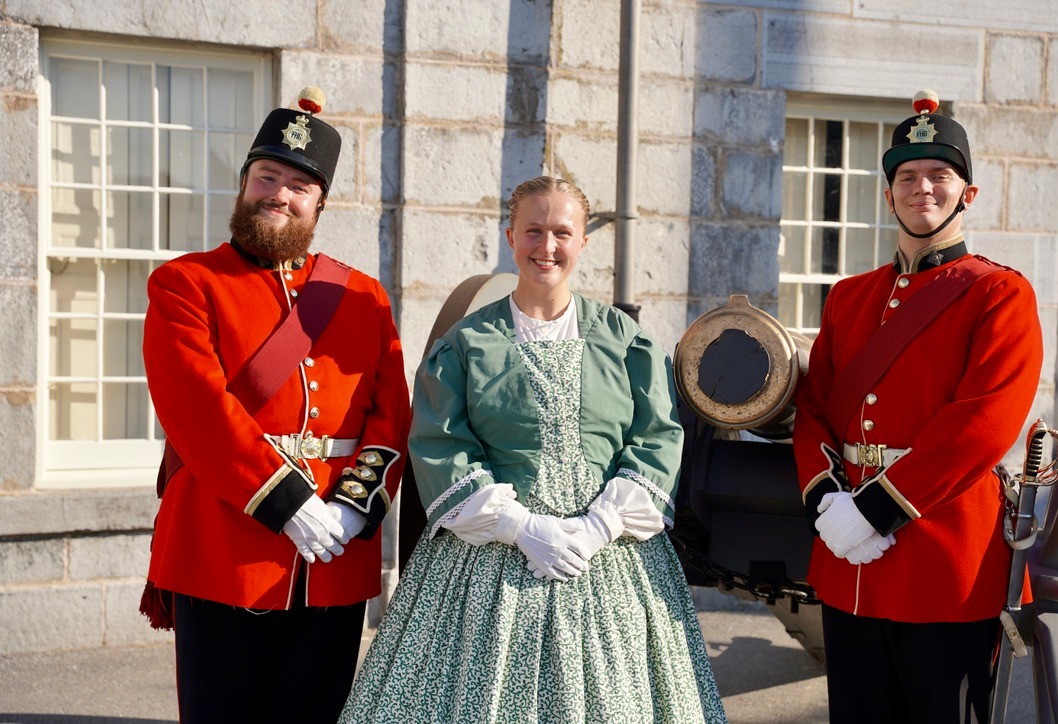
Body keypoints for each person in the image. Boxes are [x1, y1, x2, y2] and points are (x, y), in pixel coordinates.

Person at [338, 176, 727, 723]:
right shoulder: (465, 345)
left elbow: (657, 437)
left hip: (607, 559)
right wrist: (520, 527)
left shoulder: (626, 341)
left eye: (562, 233)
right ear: (511, 236)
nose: (548, 247)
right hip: (488, 563)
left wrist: (598, 527)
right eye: (534, 231)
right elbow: (439, 445)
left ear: (584, 241)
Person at [140, 86, 410, 724]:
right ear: (244, 183)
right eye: (267, 176)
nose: (279, 195)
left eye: (298, 186)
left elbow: (390, 412)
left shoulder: (363, 295)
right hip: (225, 546)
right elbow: (195, 406)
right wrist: (284, 500)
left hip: (335, 553)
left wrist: (354, 505)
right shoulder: (185, 282)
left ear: (319, 203)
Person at [792, 90, 1043, 723]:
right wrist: (829, 504)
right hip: (851, 560)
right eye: (907, 176)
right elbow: (814, 406)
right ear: (888, 194)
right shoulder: (849, 298)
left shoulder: (1000, 294)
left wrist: (874, 509)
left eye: (940, 176)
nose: (921, 188)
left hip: (941, 557)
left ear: (968, 194)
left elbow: (982, 422)